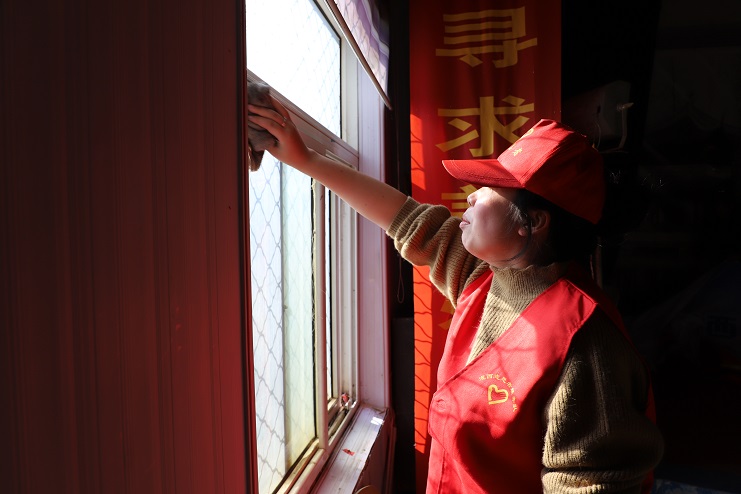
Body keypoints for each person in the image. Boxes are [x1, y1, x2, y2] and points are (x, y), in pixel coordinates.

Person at [247, 94, 664, 494]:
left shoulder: (585, 341)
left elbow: (592, 483)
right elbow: (405, 218)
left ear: (534, 222)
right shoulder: (485, 277)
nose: (472, 194)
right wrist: (306, 159)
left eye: (492, 186)